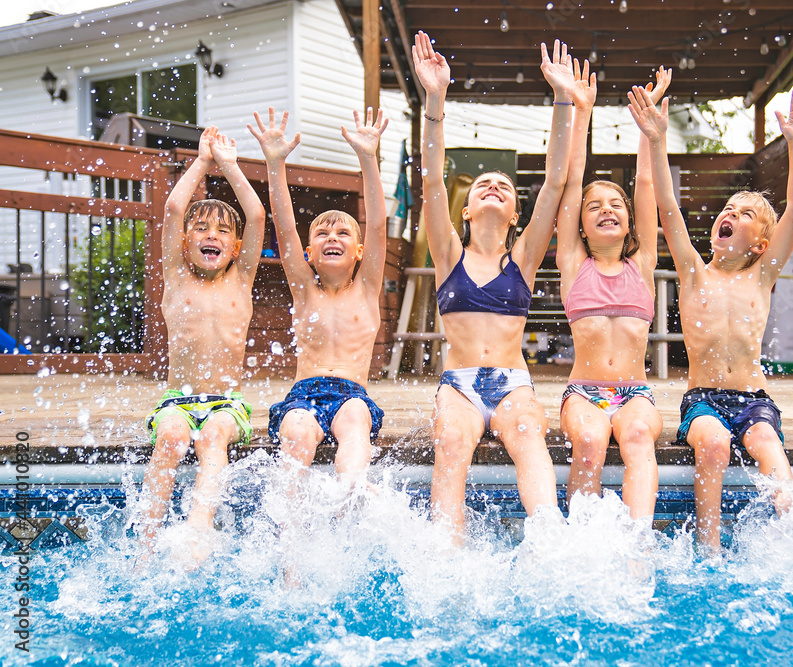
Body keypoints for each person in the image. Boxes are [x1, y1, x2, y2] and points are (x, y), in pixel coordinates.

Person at [629, 83, 793, 552]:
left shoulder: (762, 275)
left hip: (754, 398)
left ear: (760, 243)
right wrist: (656, 140)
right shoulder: (694, 273)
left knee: (768, 445)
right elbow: (668, 209)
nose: (730, 212)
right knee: (712, 445)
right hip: (704, 402)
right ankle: (709, 547)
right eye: (728, 208)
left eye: (746, 212)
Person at [412, 31, 576, 541]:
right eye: (483, 183)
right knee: (451, 442)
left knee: (529, 435)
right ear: (466, 209)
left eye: (504, 187)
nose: (494, 186)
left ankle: (549, 540)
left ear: (513, 214)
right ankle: (446, 551)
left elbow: (554, 181)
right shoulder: (448, 254)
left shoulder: (523, 258)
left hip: (512, 383)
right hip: (459, 385)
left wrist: (563, 99)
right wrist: (434, 100)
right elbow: (434, 180)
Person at [140, 125, 266, 564]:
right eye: (201, 228)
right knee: (172, 437)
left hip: (226, 404)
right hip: (177, 400)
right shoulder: (175, 279)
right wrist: (201, 161)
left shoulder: (241, 279)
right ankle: (147, 541)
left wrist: (229, 166)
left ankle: (199, 528)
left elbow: (257, 216)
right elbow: (175, 208)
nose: (211, 235)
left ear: (235, 248)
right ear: (184, 242)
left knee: (213, 436)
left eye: (221, 232)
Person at [557, 67, 672, 522]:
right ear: (581, 225)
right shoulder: (572, 263)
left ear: (627, 220)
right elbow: (569, 182)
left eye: (615, 204)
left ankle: (637, 543)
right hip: (583, 393)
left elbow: (646, 186)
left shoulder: (641, 264)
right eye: (594, 206)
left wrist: (649, 130)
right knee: (589, 441)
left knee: (639, 437)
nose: (606, 209)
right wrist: (582, 112)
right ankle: (579, 542)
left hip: (634, 392)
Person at [252, 107, 388, 487]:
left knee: (357, 423)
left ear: (359, 252)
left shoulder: (367, 288)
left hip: (351, 393)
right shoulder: (304, 288)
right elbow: (283, 224)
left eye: (343, 233)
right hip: (303, 393)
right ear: (308, 252)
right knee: (296, 433)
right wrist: (275, 164)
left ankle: (348, 510)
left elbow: (377, 224)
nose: (332, 238)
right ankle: (291, 536)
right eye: (322, 234)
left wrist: (368, 157)